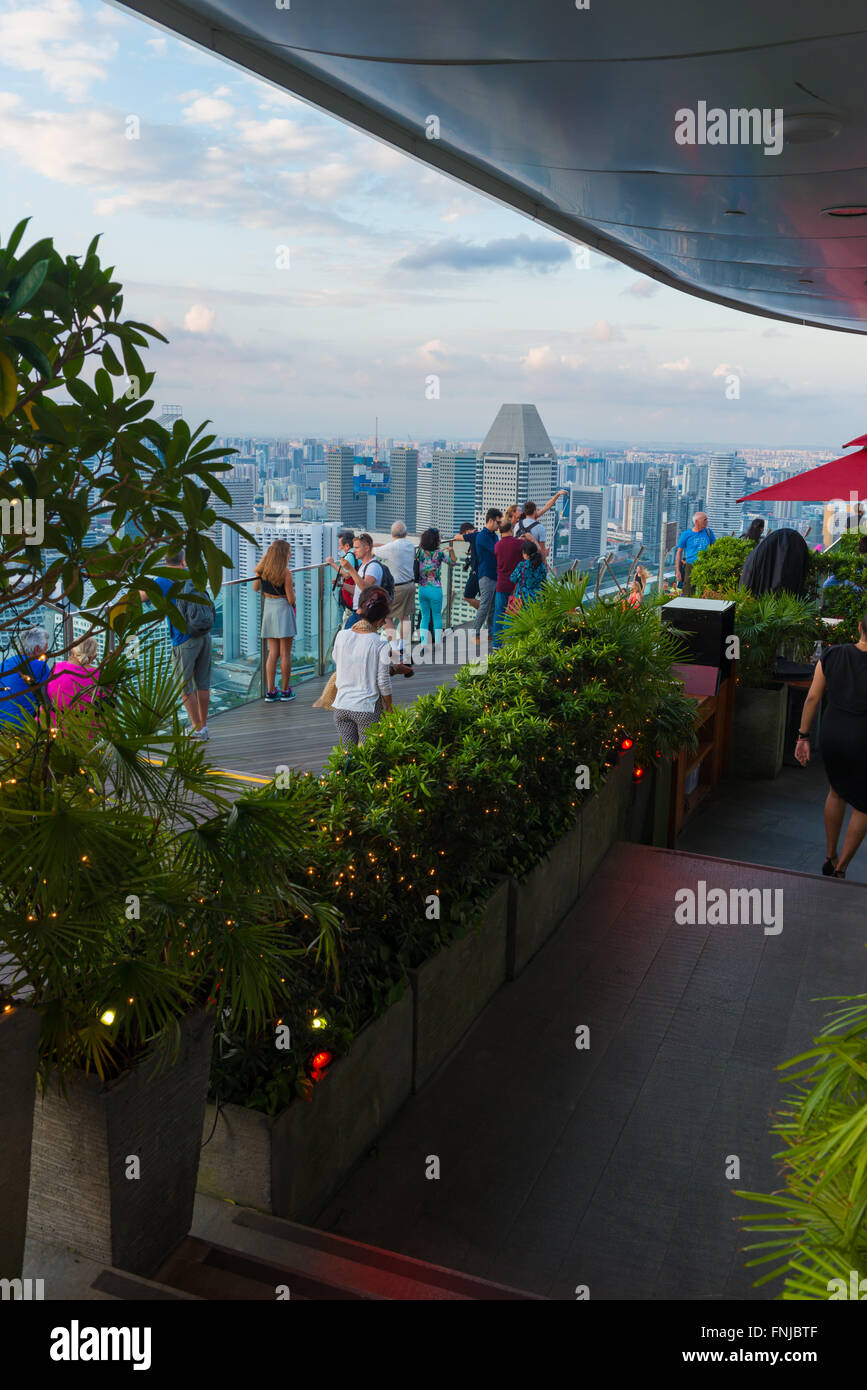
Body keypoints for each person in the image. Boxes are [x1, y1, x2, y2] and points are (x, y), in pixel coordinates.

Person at [795, 614, 867, 879]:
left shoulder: (833, 654)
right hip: (863, 736)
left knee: (836, 791)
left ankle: (830, 854)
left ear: (859, 627)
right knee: (863, 804)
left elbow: (813, 697)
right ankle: (841, 868)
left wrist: (803, 736)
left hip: (833, 731)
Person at [149, 550, 214, 740]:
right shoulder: (192, 576)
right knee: (202, 683)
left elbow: (141, 596)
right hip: (204, 633)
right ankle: (203, 726)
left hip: (183, 638)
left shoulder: (161, 580)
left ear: (164, 560)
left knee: (184, 686)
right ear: (184, 561)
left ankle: (196, 729)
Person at [331, 586, 394, 749]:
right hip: (367, 709)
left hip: (341, 706)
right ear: (380, 621)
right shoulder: (381, 645)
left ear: (359, 609)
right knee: (370, 758)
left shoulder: (341, 635)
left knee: (348, 756)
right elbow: (383, 682)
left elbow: (336, 659)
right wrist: (389, 707)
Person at [253, 538, 296, 703]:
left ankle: (270, 691)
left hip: (269, 610)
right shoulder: (286, 573)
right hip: (283, 610)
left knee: (273, 653)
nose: (290, 554)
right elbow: (291, 599)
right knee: (285, 653)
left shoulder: (262, 571)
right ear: (283, 554)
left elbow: (256, 588)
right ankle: (285, 691)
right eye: (288, 551)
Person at [375, 521, 416, 656]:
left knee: (388, 617)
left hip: (396, 587)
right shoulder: (410, 546)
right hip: (410, 585)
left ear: (391, 534)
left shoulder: (390, 548)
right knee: (405, 617)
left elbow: (374, 551)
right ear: (405, 533)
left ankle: (394, 647)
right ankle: (403, 645)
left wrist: (375, 545)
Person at [326, 533, 383, 629]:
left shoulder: (373, 567)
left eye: (357, 548)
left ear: (367, 548)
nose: (354, 551)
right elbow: (358, 589)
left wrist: (350, 568)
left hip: (365, 613)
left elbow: (365, 588)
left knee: (346, 637)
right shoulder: (363, 566)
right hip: (358, 611)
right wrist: (342, 585)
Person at [0, 626, 52, 729]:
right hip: (23, 726)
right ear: (37, 649)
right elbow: (48, 697)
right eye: (45, 649)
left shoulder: (5, 663)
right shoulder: (39, 665)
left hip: (2, 726)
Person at [415, 527, 456, 647]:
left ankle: (423, 643)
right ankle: (437, 642)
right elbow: (453, 562)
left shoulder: (419, 552)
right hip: (435, 589)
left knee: (425, 617)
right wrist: (451, 550)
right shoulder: (439, 554)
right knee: (437, 616)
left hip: (422, 588)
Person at [492, 515, 526, 648]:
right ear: (512, 528)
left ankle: (497, 643)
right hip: (516, 585)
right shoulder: (519, 543)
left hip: (501, 583)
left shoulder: (497, 545)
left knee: (499, 613)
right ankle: (511, 643)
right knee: (514, 613)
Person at [47, 635, 100, 711]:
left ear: (72, 652)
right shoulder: (99, 675)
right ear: (94, 656)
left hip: (52, 719)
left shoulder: (57, 667)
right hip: (87, 721)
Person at [515, 492, 567, 567]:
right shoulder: (539, 527)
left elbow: (546, 507)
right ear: (534, 511)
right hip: (533, 563)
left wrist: (557, 495)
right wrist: (545, 563)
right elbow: (542, 550)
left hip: (519, 562)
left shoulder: (517, 525)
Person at [473, 508, 501, 638]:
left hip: (495, 574)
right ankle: (475, 632)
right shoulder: (482, 536)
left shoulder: (494, 535)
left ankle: (490, 632)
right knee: (484, 606)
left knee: (493, 607)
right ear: (491, 520)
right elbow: (496, 550)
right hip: (486, 575)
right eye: (498, 522)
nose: (499, 525)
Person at [675, 512, 716, 596]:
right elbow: (679, 552)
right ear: (697, 521)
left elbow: (715, 547)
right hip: (691, 566)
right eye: (705, 519)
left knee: (705, 591)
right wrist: (678, 571)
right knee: (688, 591)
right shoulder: (686, 534)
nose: (707, 521)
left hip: (706, 565)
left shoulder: (708, 532)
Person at [509, 539, 547, 611]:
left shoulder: (522, 565)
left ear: (525, 553)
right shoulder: (542, 565)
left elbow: (512, 578)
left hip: (523, 600)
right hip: (538, 598)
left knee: (521, 620)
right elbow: (544, 578)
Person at [454, 521, 480, 610]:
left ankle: (485, 612)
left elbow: (457, 537)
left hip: (477, 572)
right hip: (482, 571)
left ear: (467, 532)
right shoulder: (479, 535)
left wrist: (462, 536)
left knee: (467, 596)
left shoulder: (474, 535)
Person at [332, 530, 357, 616]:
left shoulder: (350, 555)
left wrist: (332, 564)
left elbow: (347, 575)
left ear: (347, 546)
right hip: (354, 592)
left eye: (340, 546)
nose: (339, 549)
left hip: (351, 596)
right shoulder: (357, 553)